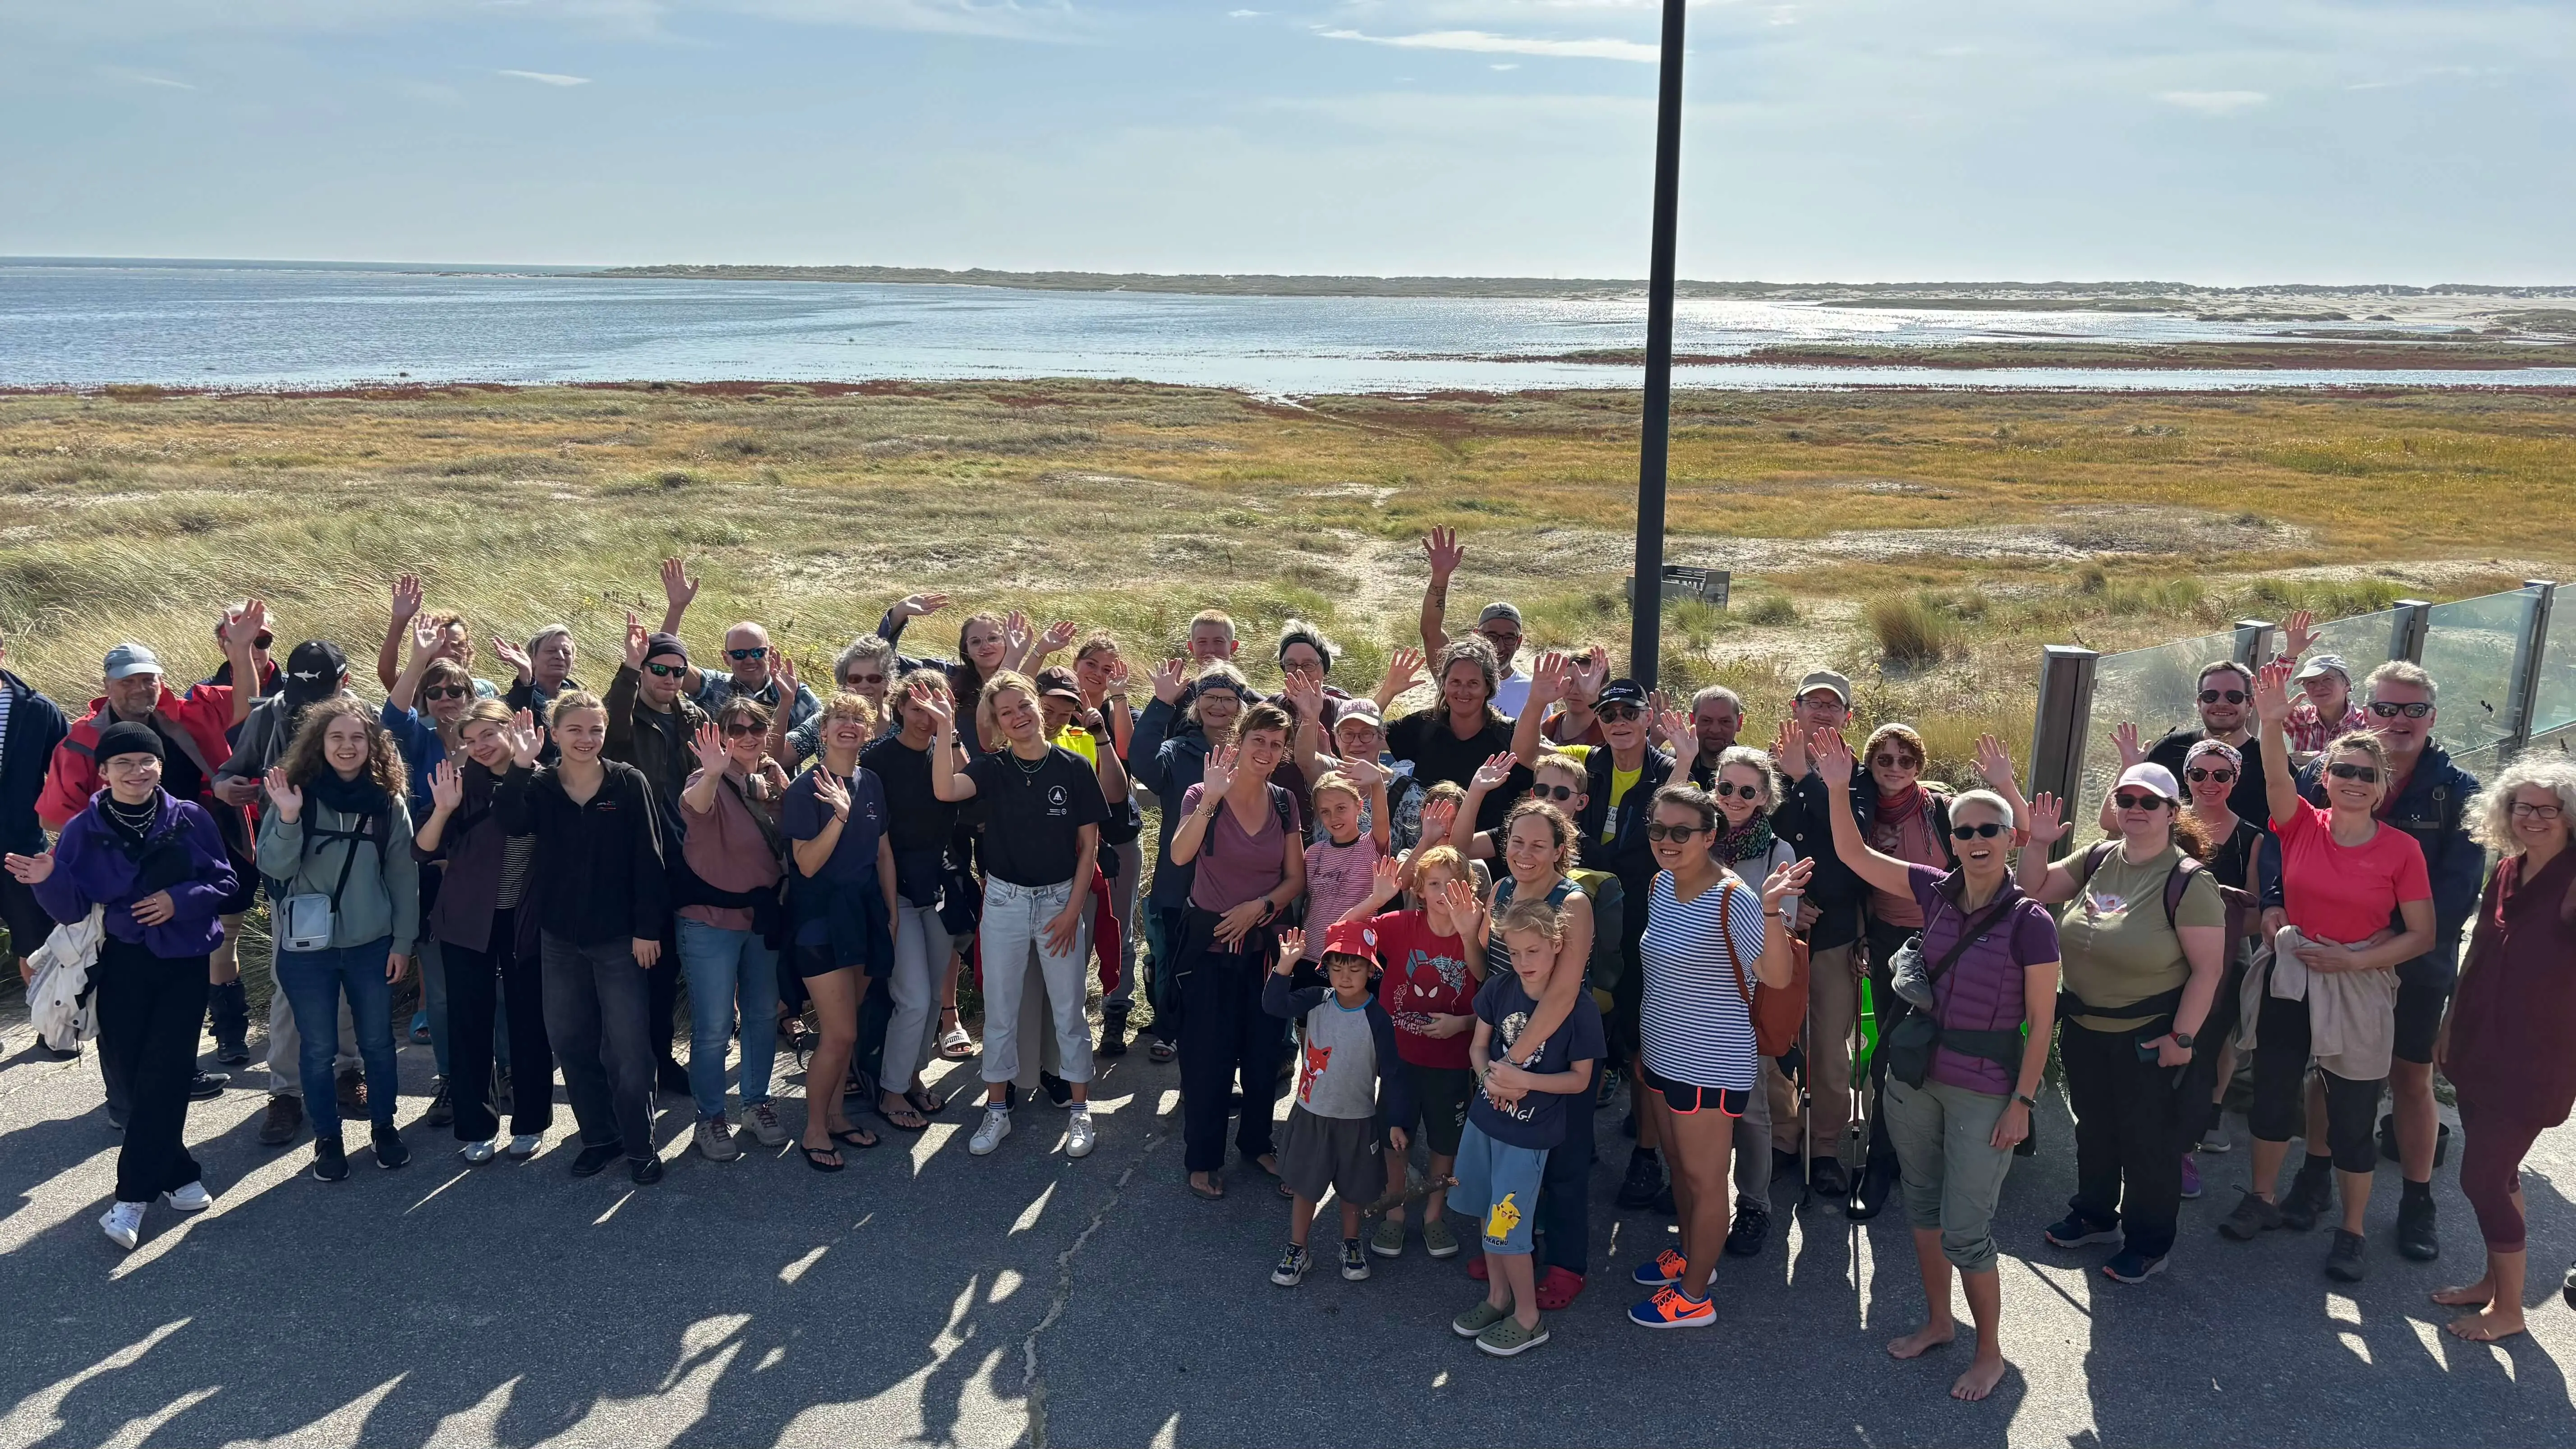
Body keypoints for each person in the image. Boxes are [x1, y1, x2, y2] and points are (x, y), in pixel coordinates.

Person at [1809, 729, 2057, 1401]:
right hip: (1915, 1080)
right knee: (1922, 1209)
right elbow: (1853, 854)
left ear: (2008, 838)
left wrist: (2023, 1103)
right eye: (1964, 830)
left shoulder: (2031, 920)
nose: (1975, 840)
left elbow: (2042, 1023)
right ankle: (1939, 1323)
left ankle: (1989, 1353)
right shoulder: (1933, 891)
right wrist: (1838, 788)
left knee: (1967, 1230)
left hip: (1986, 1091)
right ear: (1951, 840)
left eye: (1989, 830)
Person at [2227, 662, 2434, 1282]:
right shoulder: (2300, 826)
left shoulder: (2402, 850)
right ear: (2325, 777)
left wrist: (2355, 960)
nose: (2353, 781)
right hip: (2294, 969)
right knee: (2273, 1093)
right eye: (2343, 770)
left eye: (2367, 775)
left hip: (2357, 978)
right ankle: (2262, 1197)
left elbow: (2420, 934)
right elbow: (2273, 776)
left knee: (2351, 1114)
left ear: (2382, 786)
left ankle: (2352, 1229)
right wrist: (2269, 722)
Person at [8, 721, 237, 1251]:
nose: (137, 772)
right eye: (124, 764)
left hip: (183, 961)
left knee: (168, 1071)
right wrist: (47, 879)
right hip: (118, 963)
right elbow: (71, 909)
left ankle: (131, 1198)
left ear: (160, 766)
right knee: (134, 1078)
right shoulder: (83, 829)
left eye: (146, 762)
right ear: (104, 773)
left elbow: (224, 880)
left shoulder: (191, 817)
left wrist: (179, 900)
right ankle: (179, 1173)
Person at [2007, 761, 2226, 1283]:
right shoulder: (2100, 857)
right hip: (2086, 1027)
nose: (2135, 809)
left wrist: (2182, 1038)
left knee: (2148, 1143)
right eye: (2126, 800)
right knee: (2095, 1129)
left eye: (2149, 802)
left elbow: (2208, 970)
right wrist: (2038, 843)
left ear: (2172, 813)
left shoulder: (2189, 882)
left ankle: (2149, 1243)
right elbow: (2033, 888)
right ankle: (2096, 1215)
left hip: (2148, 1036)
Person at [2296, 658, 2483, 1263]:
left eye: (2414, 710)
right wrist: (2276, 904)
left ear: (2433, 716)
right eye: (2386, 708)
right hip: (2337, 954)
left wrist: (2382, 945)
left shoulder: (2459, 794)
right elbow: (2290, 844)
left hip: (2414, 963)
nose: (2399, 720)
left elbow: (2455, 895)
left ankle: (2416, 1200)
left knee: (2409, 1078)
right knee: (2329, 1066)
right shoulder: (2330, 771)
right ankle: (2315, 1174)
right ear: (2366, 711)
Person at [45, 624, 261, 1111]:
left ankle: (184, 1070)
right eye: (127, 681)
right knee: (122, 1000)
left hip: (191, 863)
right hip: (123, 887)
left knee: (186, 977)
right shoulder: (84, 741)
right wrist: (108, 848)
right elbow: (55, 816)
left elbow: (243, 704)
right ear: (107, 685)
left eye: (148, 679)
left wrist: (242, 650)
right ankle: (124, 1101)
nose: (140, 689)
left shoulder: (182, 714)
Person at [1624, 782, 1810, 1329]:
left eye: (1682, 832)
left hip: (1710, 1061)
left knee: (1706, 1181)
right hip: (1662, 1052)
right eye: (1658, 829)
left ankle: (1694, 1297)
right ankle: (1689, 1255)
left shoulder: (1735, 899)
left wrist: (1771, 910)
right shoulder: (1661, 884)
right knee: (1680, 1169)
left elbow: (1775, 976)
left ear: (1710, 836)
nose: (1667, 840)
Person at [929, 671, 1108, 1159]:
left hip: (1059, 901)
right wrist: (945, 727)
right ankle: (997, 1111)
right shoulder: (992, 768)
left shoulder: (1074, 767)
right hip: (1004, 902)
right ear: (998, 722)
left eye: (1023, 706)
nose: (1018, 716)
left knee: (1069, 1011)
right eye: (1006, 712)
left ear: (1036, 705)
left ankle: (1080, 1112)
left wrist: (1072, 911)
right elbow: (945, 789)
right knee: (1001, 1011)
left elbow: (1089, 848)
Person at [493, 694, 670, 1186]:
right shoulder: (541, 785)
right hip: (560, 940)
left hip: (621, 939)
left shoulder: (627, 782)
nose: (586, 739)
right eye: (574, 729)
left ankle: (640, 1145)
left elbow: (650, 858)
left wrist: (647, 929)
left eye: (595, 729)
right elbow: (510, 821)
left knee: (629, 1049)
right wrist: (520, 766)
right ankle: (600, 1137)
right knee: (571, 1041)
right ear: (554, 734)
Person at [2430, 757, 2576, 1341]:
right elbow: (2479, 952)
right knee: (2501, 1172)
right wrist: (2448, 1024)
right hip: (2477, 1040)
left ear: (2570, 816)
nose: (2534, 817)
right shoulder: (2508, 869)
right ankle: (2494, 1284)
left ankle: (2510, 1311)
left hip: (2537, 1056)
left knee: (2483, 1178)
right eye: (2523, 806)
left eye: (2548, 808)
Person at [256, 698, 420, 1181]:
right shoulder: (296, 796)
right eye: (337, 737)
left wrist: (403, 942)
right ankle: (327, 1138)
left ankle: (385, 1128)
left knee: (378, 1044)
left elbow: (403, 878)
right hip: (308, 949)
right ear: (319, 743)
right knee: (317, 1048)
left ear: (373, 745)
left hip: (372, 944)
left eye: (357, 738)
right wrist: (289, 818)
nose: (347, 747)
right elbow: (274, 866)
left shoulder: (388, 803)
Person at [213, 634, 364, 1143]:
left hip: (353, 873)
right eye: (302, 695)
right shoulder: (270, 715)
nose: (308, 709)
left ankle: (347, 1072)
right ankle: (285, 1093)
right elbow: (229, 772)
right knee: (289, 985)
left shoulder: (363, 718)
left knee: (347, 978)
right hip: (291, 875)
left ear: (344, 682)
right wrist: (228, 788)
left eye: (318, 696)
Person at [1451, 789, 1596, 1308]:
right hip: (1503, 1044)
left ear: (1560, 849)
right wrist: (1467, 934)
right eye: (1517, 842)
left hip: (1560, 1049)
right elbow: (1487, 972)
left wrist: (1511, 1066)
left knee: (1564, 1161)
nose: (1525, 853)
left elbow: (1564, 993)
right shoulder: (1502, 889)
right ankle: (1511, 1247)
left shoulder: (1573, 903)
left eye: (1539, 845)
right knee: (1507, 1155)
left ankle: (1566, 1264)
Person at [1159, 701, 1306, 1195]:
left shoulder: (1285, 802)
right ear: (1239, 741)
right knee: (1208, 1056)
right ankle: (1202, 1158)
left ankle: (1257, 1142)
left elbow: (1295, 879)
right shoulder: (1204, 792)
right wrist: (1210, 799)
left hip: (1263, 947)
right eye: (1258, 740)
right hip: (1210, 947)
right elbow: (1180, 854)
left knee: (1263, 1053)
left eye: (1276, 744)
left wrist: (1259, 907)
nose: (1266, 751)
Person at [1450, 896, 1605, 1358]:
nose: (1523, 962)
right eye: (1514, 952)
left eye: (1533, 951)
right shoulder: (1499, 988)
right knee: (1486, 1210)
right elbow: (1478, 1046)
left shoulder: (1579, 1008)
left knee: (1509, 1226)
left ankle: (1528, 1318)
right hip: (1484, 1122)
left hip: (1528, 1136)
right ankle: (1498, 1297)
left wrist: (1524, 1081)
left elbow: (1581, 1080)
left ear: (1557, 945)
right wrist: (1489, 1078)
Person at [414, 704, 554, 1163]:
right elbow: (422, 849)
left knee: (529, 1022)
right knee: (469, 1022)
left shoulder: (544, 781)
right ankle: (476, 1127)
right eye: (471, 740)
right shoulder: (459, 784)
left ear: (512, 728)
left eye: (489, 734)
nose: (481, 746)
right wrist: (443, 809)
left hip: (525, 918)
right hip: (467, 919)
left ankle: (531, 1121)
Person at [1339, 846, 1485, 1262]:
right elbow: (1341, 934)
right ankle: (1396, 1210)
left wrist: (1461, 1024)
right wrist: (1376, 899)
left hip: (1451, 1062)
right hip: (1399, 1060)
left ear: (1469, 888)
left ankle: (1435, 1215)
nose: (1443, 892)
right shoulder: (1402, 924)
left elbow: (1486, 983)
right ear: (1419, 890)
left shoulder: (1478, 929)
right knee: (1395, 1138)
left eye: (1453, 883)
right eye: (1434, 884)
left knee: (1445, 1143)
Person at [386, 618, 497, 1130]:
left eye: (457, 691)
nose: (447, 698)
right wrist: (417, 657)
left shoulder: (490, 747)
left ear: (473, 697)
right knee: (445, 990)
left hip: (491, 881)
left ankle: (504, 1072)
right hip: (432, 880)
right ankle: (453, 1079)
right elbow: (393, 714)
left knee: (499, 985)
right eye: (437, 692)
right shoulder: (418, 741)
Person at [1263, 921, 1416, 1288]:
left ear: (1371, 971)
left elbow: (1393, 1074)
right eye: (1337, 967)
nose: (1345, 976)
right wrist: (1284, 966)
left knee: (1354, 1190)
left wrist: (1395, 1121)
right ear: (1326, 968)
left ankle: (1351, 1243)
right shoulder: (1315, 999)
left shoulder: (1378, 1018)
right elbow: (1273, 1004)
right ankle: (1298, 1248)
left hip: (1358, 1119)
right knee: (1305, 1187)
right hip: (1312, 1114)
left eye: (1356, 967)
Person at [782, 693, 898, 1169]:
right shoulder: (804, 788)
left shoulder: (872, 781)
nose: (849, 725)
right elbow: (806, 864)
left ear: (867, 732)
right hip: (819, 920)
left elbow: (883, 852)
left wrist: (891, 913)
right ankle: (813, 1130)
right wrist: (841, 815)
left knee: (846, 1034)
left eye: (858, 719)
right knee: (839, 1033)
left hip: (865, 914)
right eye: (839, 719)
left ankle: (835, 1117)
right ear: (824, 731)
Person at [675, 700, 792, 1161]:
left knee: (763, 1015)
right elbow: (695, 807)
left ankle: (756, 1103)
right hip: (710, 920)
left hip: (762, 918)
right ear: (721, 735)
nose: (747, 736)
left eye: (756, 727)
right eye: (736, 729)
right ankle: (710, 1117)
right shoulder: (704, 778)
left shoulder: (773, 781)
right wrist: (711, 772)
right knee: (714, 1027)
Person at [1766, 670, 1867, 1198]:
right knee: (1774, 1041)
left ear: (1847, 716)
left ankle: (1824, 1146)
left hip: (1835, 935)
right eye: (1814, 703)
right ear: (1796, 707)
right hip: (1775, 930)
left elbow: (1856, 841)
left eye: (1834, 705)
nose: (1823, 712)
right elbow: (1747, 838)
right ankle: (1782, 1138)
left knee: (1829, 1050)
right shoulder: (1764, 767)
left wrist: (1806, 778)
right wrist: (1788, 903)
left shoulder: (1859, 775)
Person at [604, 615, 709, 1097]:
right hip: (635, 860)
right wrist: (628, 669)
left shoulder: (693, 718)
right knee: (632, 971)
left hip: (685, 858)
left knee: (665, 971)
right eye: (659, 669)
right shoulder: (626, 715)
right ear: (643, 671)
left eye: (677, 671)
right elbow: (611, 736)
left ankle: (660, 1060)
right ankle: (630, 1067)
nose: (669, 679)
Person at [1129, 658, 1254, 1065]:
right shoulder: (1178, 750)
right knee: (1173, 954)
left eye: (1228, 698)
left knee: (1227, 961)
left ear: (1241, 704)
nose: (1218, 706)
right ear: (1196, 703)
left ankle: (1225, 1037)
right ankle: (1171, 1029)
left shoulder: (1253, 751)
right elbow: (1142, 762)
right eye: (1209, 697)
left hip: (1236, 879)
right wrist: (1161, 704)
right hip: (1179, 876)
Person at [1707, 745, 1802, 1257]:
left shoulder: (1777, 852)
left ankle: (1754, 1204)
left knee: (1752, 1109)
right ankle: (1700, 1197)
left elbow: (1781, 929)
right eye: (1726, 788)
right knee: (1696, 1104)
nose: (1735, 798)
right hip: (1695, 992)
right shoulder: (1695, 837)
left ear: (1765, 797)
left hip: (1748, 995)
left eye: (1748, 790)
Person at [864, 667, 968, 1129]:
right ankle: (890, 1091)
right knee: (914, 997)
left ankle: (912, 1076)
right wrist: (886, 905)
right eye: (917, 708)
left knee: (928, 996)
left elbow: (971, 788)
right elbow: (874, 836)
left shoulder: (946, 751)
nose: (926, 718)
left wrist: (950, 731)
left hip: (939, 887)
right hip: (896, 891)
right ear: (899, 708)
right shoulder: (878, 760)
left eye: (936, 708)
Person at [2174, 738, 2277, 1163]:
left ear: (2236, 779)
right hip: (2164, 947)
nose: (2209, 783)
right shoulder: (2168, 824)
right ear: (2186, 776)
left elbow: (2256, 910)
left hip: (2225, 950)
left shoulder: (2251, 837)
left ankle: (2198, 1127)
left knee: (2212, 1044)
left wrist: (2211, 928)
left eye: (2221, 775)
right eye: (2199, 773)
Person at [1070, 634, 1146, 1055]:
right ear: (1076, 663)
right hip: (1068, 846)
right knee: (1075, 935)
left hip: (1118, 838)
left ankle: (1116, 1013)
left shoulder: (1123, 712)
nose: (1099, 674)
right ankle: (1070, 1021)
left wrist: (1117, 699)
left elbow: (1127, 752)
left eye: (1109, 668)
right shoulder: (1055, 707)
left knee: (1119, 931)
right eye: (1092, 664)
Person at [655, 557, 823, 731]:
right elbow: (668, 661)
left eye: (758, 652)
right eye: (739, 654)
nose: (750, 660)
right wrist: (676, 609)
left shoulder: (795, 693)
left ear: (770, 653)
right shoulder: (714, 686)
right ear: (726, 658)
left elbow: (826, 734)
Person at [1384, 637, 1527, 832]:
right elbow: (1361, 737)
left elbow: (1531, 793)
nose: (1463, 691)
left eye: (1473, 683)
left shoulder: (1508, 735)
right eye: (1455, 682)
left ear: (1488, 687)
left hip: (1487, 848)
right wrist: (1388, 691)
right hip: (1429, 847)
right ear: (1444, 684)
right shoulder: (1425, 725)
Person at [0, 628, 71, 1005]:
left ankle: (50, 1024)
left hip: (20, 847)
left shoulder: (37, 709)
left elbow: (68, 779)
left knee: (36, 944)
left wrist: (69, 844)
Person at [2133, 659, 2271, 826]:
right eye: (2210, 696)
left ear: (2250, 704)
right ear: (2199, 703)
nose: (2221, 703)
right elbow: (2119, 820)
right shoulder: (2169, 750)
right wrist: (2129, 767)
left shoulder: (2271, 761)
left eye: (2234, 697)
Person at [1417, 526, 1530, 718]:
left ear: (1519, 642)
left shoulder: (1531, 690)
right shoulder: (1456, 674)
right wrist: (1440, 577)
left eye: (1509, 638)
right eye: (1491, 636)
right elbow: (1430, 631)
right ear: (1476, 636)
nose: (1499, 646)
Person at [1298, 769, 1389, 968]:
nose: (1334, 818)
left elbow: (1382, 822)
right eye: (1325, 812)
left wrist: (1377, 783)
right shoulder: (1314, 853)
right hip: (1310, 955)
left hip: (1352, 959)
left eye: (1341, 808)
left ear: (1359, 807)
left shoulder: (1370, 846)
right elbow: (1308, 904)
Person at [375, 575, 499, 699]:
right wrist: (400, 620)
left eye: (459, 645)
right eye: (441, 645)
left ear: (468, 649)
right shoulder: (416, 691)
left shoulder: (488, 690)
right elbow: (386, 672)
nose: (451, 652)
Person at [498, 623, 582, 723]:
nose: (560, 656)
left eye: (566, 652)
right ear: (532, 658)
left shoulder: (583, 704)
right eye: (551, 651)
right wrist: (525, 680)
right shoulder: (507, 703)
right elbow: (516, 719)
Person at [1682, 686, 1746, 788]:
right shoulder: (1675, 764)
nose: (1715, 730)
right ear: (1693, 720)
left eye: (1725, 722)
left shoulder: (1754, 771)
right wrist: (1656, 741)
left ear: (1739, 722)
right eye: (1706, 721)